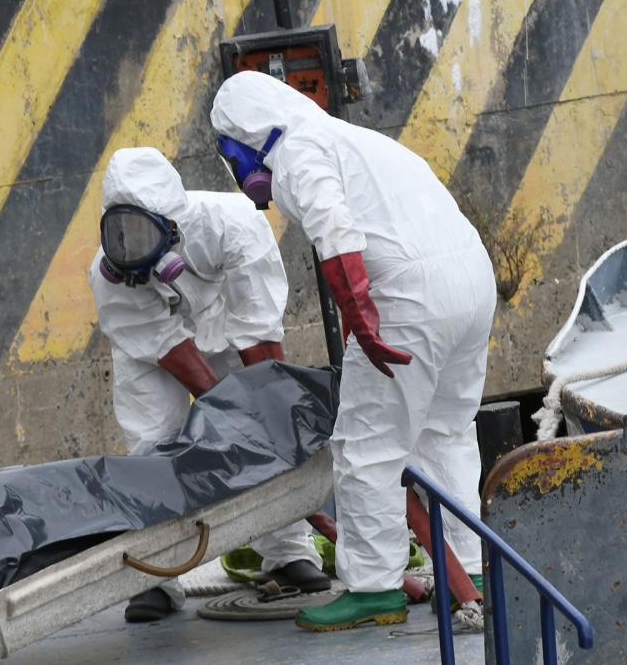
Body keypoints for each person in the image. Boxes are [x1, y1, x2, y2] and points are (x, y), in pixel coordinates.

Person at [211, 71, 496, 631]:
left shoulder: (295, 150)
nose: (242, 171)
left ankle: (373, 589)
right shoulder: (361, 140)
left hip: (409, 299)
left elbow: (337, 234)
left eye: (233, 154)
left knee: (366, 449)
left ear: (247, 137)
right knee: (448, 433)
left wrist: (363, 322)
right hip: (470, 281)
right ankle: (474, 569)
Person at [88, 147, 328, 623]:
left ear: (173, 223)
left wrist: (262, 410)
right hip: (153, 352)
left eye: (144, 232)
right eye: (121, 233)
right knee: (153, 445)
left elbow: (259, 334)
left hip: (228, 327)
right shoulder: (108, 275)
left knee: (272, 426)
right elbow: (172, 352)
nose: (130, 243)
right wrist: (229, 412)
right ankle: (158, 578)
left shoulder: (234, 225)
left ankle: (287, 552)